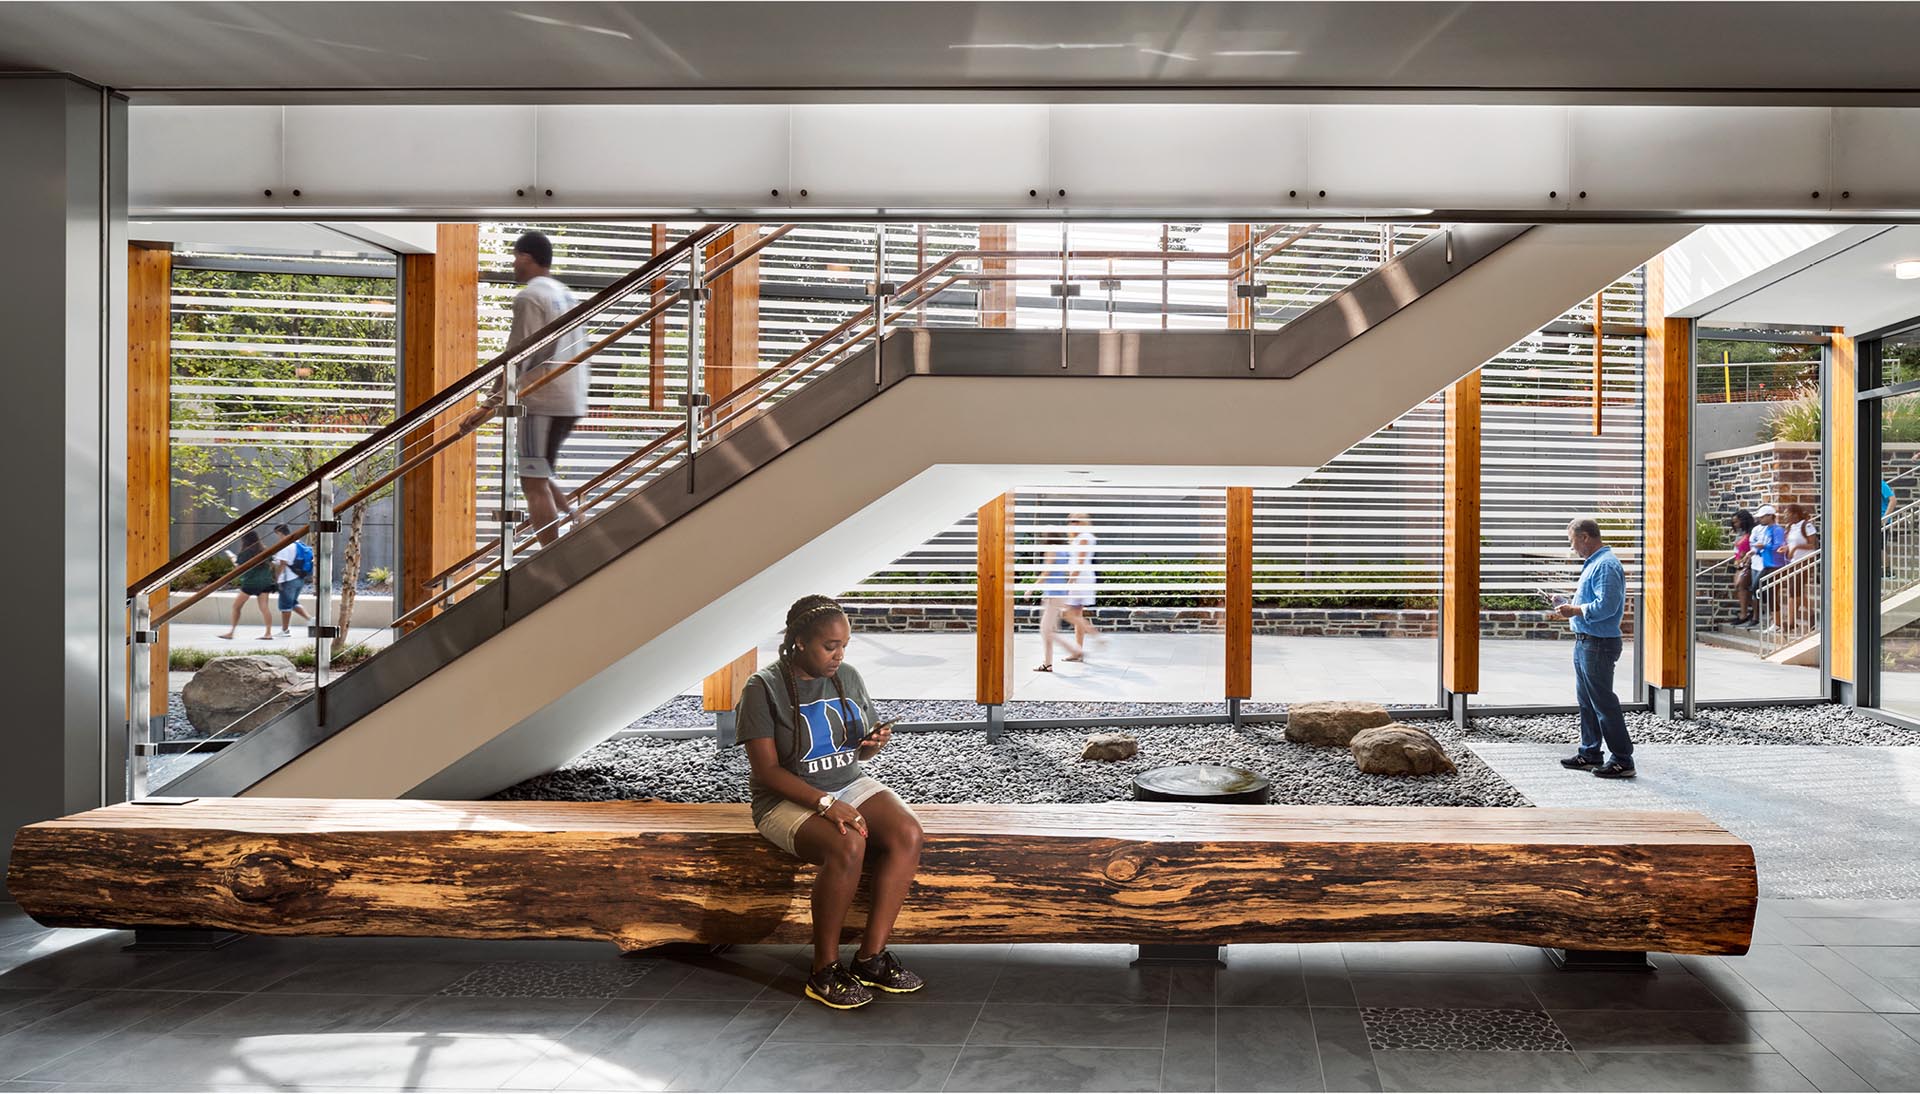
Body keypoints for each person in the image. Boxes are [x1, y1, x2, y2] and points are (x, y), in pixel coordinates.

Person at [733, 595, 926, 1010]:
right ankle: (823, 970)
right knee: (848, 843)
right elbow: (766, 771)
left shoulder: (848, 677)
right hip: (784, 800)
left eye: (844, 646)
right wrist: (824, 803)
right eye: (829, 646)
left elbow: (856, 754)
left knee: (908, 832)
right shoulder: (762, 688)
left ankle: (870, 959)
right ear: (799, 642)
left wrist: (872, 745)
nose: (839, 655)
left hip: (845, 783)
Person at [464, 231, 588, 547]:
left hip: (542, 400)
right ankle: (578, 519)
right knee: (541, 471)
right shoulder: (563, 293)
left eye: (516, 256)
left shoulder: (530, 297)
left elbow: (519, 354)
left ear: (526, 257)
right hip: (568, 398)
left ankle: (552, 553)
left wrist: (488, 405)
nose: (513, 263)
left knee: (532, 481)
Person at [1555, 517, 1634, 779]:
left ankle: (1623, 760)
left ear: (1585, 537)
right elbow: (1594, 602)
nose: (1573, 547)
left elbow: (1606, 607)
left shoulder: (1606, 565)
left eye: (1573, 541)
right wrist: (1567, 603)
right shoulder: (1595, 564)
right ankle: (1590, 753)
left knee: (1603, 703)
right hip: (1586, 641)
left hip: (1598, 644)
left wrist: (1574, 610)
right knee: (1587, 702)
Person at [1032, 530, 1082, 672]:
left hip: (1053, 595)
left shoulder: (1051, 550)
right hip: (1058, 593)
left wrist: (1032, 588)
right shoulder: (1063, 551)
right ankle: (1047, 664)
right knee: (1048, 630)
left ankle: (1074, 649)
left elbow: (1046, 572)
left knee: (1046, 630)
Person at [218, 530, 278, 640]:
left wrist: (232, 559)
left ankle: (231, 632)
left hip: (250, 583)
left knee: (236, 607)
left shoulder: (244, 553)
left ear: (244, 541)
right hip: (265, 582)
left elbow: (239, 568)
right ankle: (268, 633)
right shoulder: (264, 550)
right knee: (264, 608)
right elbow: (272, 563)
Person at [1064, 512, 1102, 653]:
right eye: (1071, 521)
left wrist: (1070, 581)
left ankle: (1097, 636)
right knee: (1076, 614)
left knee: (1068, 613)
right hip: (1081, 577)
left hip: (1080, 578)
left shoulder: (1084, 538)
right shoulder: (1080, 537)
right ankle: (1078, 651)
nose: (1072, 524)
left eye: (1075, 521)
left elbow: (1079, 562)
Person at [271, 523, 313, 637]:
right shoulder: (298, 543)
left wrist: (276, 579)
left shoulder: (285, 545)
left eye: (277, 534)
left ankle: (285, 630)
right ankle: (311, 620)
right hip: (299, 578)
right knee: (293, 602)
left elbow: (282, 564)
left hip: (288, 579)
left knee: (285, 606)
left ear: (279, 532)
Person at [1749, 505, 1787, 632]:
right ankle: (1775, 620)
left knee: (1769, 592)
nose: (1760, 520)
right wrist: (1756, 551)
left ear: (1770, 516)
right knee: (1757, 589)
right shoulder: (1766, 530)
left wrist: (1764, 545)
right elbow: (1763, 547)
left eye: (1763, 517)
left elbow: (1778, 546)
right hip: (1766, 564)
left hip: (1775, 565)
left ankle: (1776, 622)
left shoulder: (1777, 530)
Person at [1729, 509, 1757, 627]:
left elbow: (1751, 549)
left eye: (1737, 522)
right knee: (1738, 586)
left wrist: (1744, 560)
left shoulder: (1751, 533)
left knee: (1742, 585)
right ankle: (1746, 611)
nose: (1735, 524)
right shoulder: (1741, 533)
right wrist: (1737, 561)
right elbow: (1738, 550)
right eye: (1734, 522)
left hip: (1749, 564)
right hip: (1740, 563)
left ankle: (1745, 613)